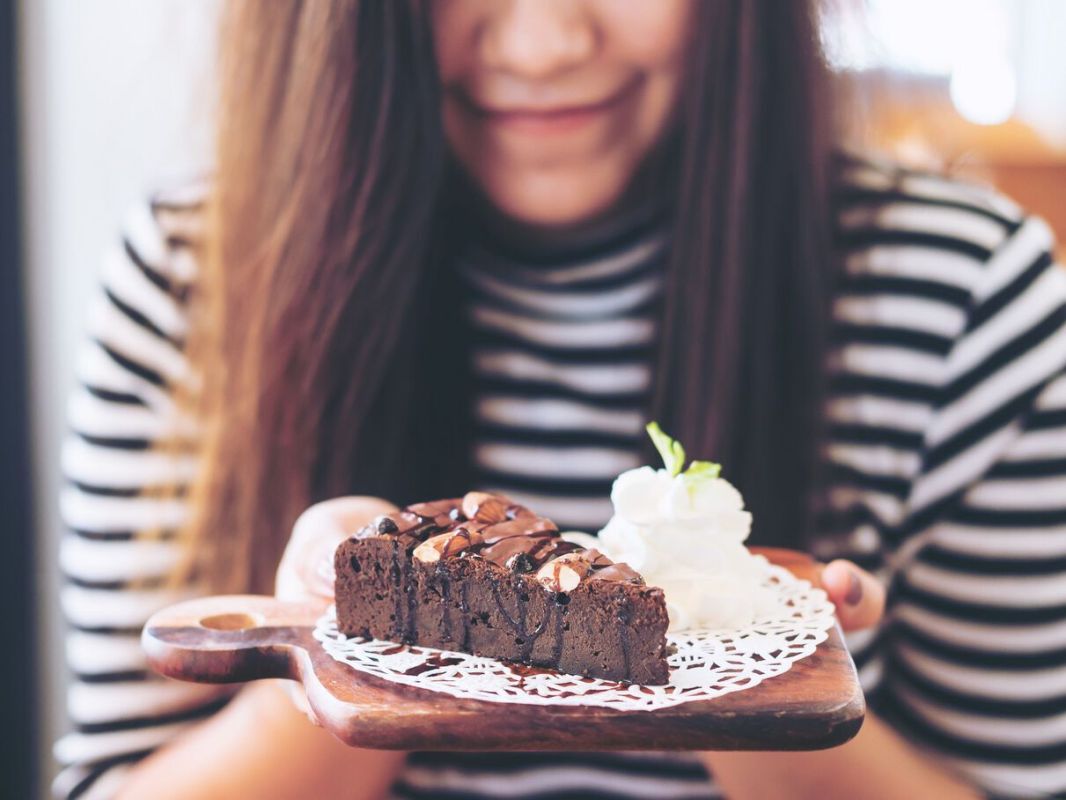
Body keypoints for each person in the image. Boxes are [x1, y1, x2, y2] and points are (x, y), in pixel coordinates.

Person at [54, 1, 1066, 798]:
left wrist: (752, 667)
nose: (541, 43)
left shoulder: (962, 291)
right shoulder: (202, 279)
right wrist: (349, 642)